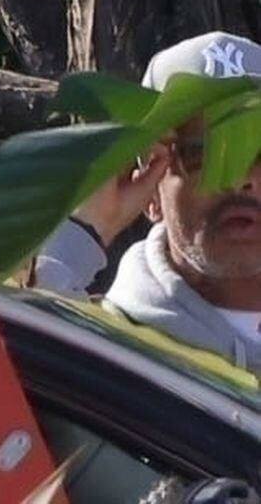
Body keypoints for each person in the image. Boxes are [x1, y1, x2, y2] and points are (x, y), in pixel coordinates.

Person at [34, 31, 261, 373]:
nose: (239, 178)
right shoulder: (107, 356)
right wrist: (83, 230)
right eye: (204, 155)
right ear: (151, 194)